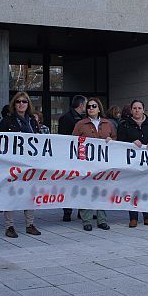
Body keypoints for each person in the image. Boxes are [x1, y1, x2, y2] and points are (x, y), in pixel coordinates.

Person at [0, 91, 42, 237]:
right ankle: (9, 226)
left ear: (28, 104)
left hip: (29, 163)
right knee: (11, 193)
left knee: (30, 193)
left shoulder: (32, 121)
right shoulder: (7, 121)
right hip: (12, 163)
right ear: (14, 104)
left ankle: (30, 224)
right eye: (18, 101)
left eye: (24, 101)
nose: (21, 104)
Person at [116, 100, 148, 227]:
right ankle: (133, 217)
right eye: (135, 108)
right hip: (132, 164)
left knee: (147, 189)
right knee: (133, 189)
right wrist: (131, 142)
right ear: (131, 110)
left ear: (143, 110)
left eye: (139, 108)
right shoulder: (125, 125)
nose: (137, 110)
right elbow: (119, 142)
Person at [72, 98, 116, 231]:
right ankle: (87, 219)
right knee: (87, 190)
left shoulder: (108, 123)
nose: (91, 108)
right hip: (86, 163)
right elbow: (73, 141)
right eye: (89, 106)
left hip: (103, 163)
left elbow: (115, 138)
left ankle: (102, 219)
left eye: (94, 106)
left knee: (102, 190)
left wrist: (111, 140)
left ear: (99, 108)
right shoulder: (80, 124)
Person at [58, 94, 86, 222]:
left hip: (77, 156)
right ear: (81, 105)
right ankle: (68, 211)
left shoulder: (79, 117)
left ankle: (80, 210)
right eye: (86, 104)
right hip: (71, 156)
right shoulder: (68, 118)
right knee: (70, 184)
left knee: (79, 183)